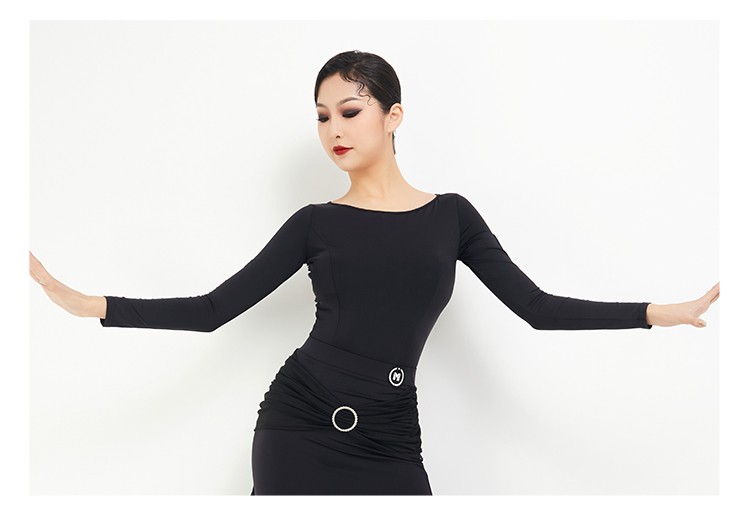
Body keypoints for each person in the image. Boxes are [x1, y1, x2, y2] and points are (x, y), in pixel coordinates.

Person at [29, 50, 720, 495]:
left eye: (351, 111)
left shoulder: (452, 216)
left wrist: (656, 313)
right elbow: (214, 309)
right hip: (298, 426)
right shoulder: (315, 223)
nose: (334, 128)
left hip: (390, 434)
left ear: (393, 116)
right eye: (322, 116)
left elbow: (537, 309)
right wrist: (91, 303)